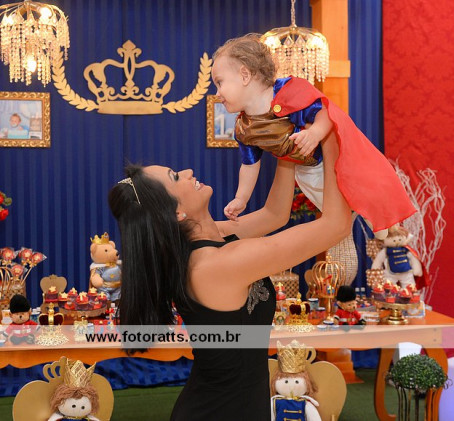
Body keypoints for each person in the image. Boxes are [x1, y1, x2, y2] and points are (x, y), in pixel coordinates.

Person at [108, 133, 351, 420]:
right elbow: (336, 225)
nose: (188, 172)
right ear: (177, 212)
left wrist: (286, 142)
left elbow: (275, 215)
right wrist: (331, 139)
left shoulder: (213, 237)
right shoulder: (215, 266)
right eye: (176, 177)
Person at [213, 33, 415, 236]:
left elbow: (326, 112)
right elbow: (249, 165)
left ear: (245, 75)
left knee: (360, 187)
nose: (217, 93)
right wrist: (241, 198)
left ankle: (381, 220)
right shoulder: (245, 127)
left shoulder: (286, 92)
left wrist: (315, 133)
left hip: (331, 160)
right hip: (306, 170)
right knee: (331, 208)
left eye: (220, 82)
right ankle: (363, 221)